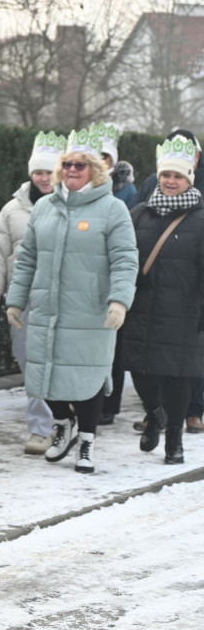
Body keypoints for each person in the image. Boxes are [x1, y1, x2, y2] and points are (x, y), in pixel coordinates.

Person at [5, 128, 138, 474]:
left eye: (81, 164)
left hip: (91, 312)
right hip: (47, 309)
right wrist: (16, 301)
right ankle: (62, 424)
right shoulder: (46, 207)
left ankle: (87, 441)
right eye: (68, 164)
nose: (73, 170)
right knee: (42, 373)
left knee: (88, 378)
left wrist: (119, 301)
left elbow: (125, 259)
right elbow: (28, 258)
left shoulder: (114, 210)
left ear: (96, 170)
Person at [120, 136, 204, 465]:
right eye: (166, 175)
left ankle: (174, 440)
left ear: (189, 180)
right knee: (140, 371)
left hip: (184, 311)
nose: (170, 181)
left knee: (177, 377)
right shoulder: (139, 213)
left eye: (178, 176)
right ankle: (155, 414)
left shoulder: (201, 218)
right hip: (141, 307)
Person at [0, 132, 62, 455]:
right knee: (31, 365)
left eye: (49, 171)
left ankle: (68, 420)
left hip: (63, 301)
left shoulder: (74, 205)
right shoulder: (12, 210)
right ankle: (41, 428)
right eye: (38, 171)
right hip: (24, 301)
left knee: (62, 364)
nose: (43, 177)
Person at [92, 123, 133, 425]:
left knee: (113, 345)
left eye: (105, 157)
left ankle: (109, 404)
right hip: (87, 279)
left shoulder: (126, 194)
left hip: (111, 279)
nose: (100, 163)